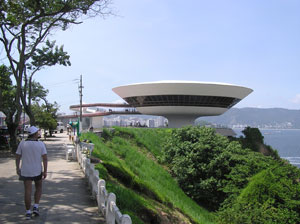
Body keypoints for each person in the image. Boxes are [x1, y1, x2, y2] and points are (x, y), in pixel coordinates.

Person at [16, 126, 48, 220]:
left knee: (27, 191)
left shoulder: (22, 143)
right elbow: (45, 158)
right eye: (37, 132)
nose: (38, 133)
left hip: (25, 171)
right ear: (35, 134)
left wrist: (17, 168)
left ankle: (28, 212)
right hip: (37, 170)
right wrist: (45, 171)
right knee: (38, 188)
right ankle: (36, 206)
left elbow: (17, 156)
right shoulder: (41, 144)